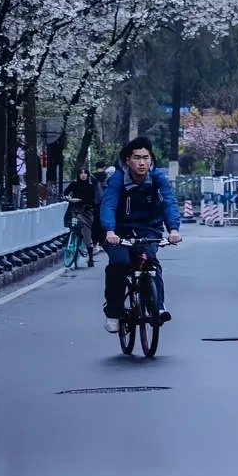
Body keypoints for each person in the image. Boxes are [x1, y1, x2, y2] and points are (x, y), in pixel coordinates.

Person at [98, 139, 182, 332]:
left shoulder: (157, 178)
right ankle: (113, 311)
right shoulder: (118, 179)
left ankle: (158, 306)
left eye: (146, 158)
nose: (142, 162)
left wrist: (173, 230)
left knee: (151, 262)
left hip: (148, 229)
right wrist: (110, 230)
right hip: (118, 231)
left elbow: (168, 202)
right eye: (137, 158)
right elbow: (108, 204)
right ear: (128, 160)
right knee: (119, 264)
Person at [64, 166, 98, 265]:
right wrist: (69, 198)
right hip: (74, 209)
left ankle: (90, 258)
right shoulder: (74, 184)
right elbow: (65, 192)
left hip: (86, 211)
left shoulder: (91, 186)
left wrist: (82, 201)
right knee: (72, 224)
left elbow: (92, 199)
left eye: (85, 173)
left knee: (87, 234)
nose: (83, 175)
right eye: (81, 173)